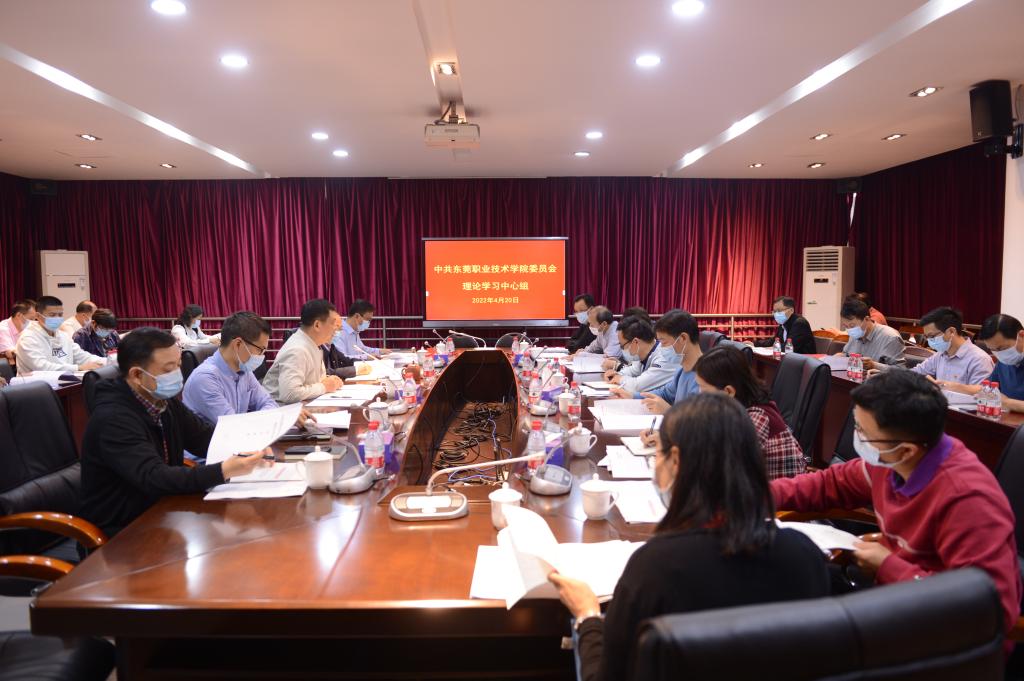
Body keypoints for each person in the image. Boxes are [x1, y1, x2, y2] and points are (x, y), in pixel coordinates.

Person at [548, 393, 830, 681]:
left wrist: (587, 616)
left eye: (657, 454)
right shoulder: (804, 556)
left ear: (676, 461)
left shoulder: (655, 568)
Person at [770, 370, 1021, 650]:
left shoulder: (967, 498)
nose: (858, 438)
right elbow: (830, 484)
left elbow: (989, 609)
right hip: (897, 603)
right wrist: (757, 495)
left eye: (864, 434)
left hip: (947, 644)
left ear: (906, 451)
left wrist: (888, 565)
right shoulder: (891, 463)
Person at [80, 327, 269, 536]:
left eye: (178, 365)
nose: (177, 374)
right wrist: (223, 470)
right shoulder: (113, 419)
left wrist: (249, 447)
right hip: (124, 528)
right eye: (169, 369)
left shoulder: (163, 401)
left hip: (165, 509)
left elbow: (203, 437)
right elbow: (154, 477)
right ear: (137, 375)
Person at [694, 346, 805, 479]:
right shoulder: (735, 409)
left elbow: (723, 470)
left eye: (703, 389)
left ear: (728, 392)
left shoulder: (756, 419)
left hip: (778, 490)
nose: (699, 394)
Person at [182, 311, 281, 425]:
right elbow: (233, 425)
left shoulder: (244, 371)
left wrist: (266, 417)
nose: (262, 356)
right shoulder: (205, 379)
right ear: (238, 344)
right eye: (260, 349)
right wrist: (265, 419)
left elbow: (269, 403)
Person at [262, 299, 344, 403]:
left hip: (304, 404)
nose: (335, 330)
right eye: (333, 324)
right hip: (282, 409)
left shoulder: (313, 344)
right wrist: (324, 386)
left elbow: (311, 381)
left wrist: (329, 381)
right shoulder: (297, 349)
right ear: (317, 325)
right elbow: (290, 394)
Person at [15, 296, 106, 372]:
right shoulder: (28, 338)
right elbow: (41, 367)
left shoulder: (63, 336)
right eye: (52, 315)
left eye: (60, 315)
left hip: (66, 382)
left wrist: (108, 361)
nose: (57, 318)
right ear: (38, 316)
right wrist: (78, 368)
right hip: (37, 385)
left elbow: (82, 356)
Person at [910, 307, 992, 387]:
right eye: (926, 337)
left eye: (932, 336)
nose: (929, 341)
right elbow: (915, 373)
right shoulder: (940, 355)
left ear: (951, 331)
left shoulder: (979, 360)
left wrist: (947, 387)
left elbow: (981, 393)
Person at [602, 317, 677, 394]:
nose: (622, 349)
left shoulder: (664, 357)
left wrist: (619, 378)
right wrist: (615, 374)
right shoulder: (641, 355)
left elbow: (638, 387)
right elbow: (633, 371)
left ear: (635, 342)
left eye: (622, 346)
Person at [839, 298, 904, 368]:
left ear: (867, 319)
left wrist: (874, 365)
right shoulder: (855, 335)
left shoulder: (890, 337)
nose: (850, 330)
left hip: (879, 375)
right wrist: (839, 357)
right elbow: (846, 354)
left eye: (852, 325)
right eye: (846, 326)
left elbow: (901, 370)